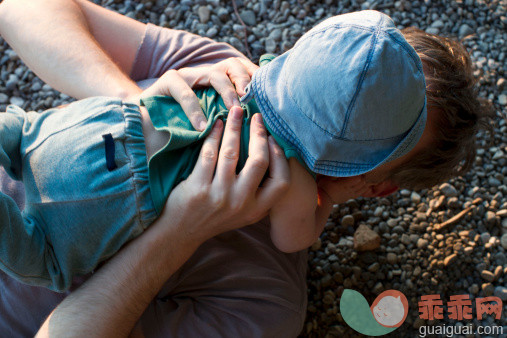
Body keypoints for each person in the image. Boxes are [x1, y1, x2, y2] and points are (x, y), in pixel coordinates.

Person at [0, 0, 491, 336]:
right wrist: (125, 96)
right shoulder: (222, 67)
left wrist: (178, 232)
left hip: (25, 153)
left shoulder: (263, 306)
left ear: (379, 188)